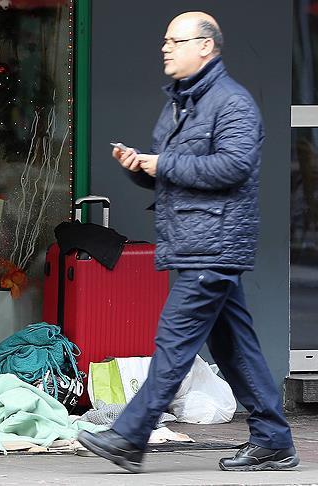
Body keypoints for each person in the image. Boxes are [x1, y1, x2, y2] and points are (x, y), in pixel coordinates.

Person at [77, 11, 298, 473]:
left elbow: (234, 166)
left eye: (175, 41)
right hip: (196, 242)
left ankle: (129, 436)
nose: (165, 48)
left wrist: (162, 165)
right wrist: (141, 167)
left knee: (174, 339)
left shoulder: (232, 103)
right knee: (235, 347)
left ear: (205, 46)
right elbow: (177, 172)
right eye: (165, 40)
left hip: (214, 245)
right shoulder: (182, 103)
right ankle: (274, 440)